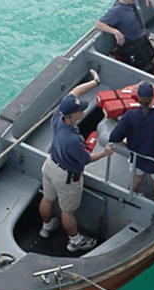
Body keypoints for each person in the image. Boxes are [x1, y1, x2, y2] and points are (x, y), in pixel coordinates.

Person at [38, 70, 113, 253]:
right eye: (80, 110)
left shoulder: (59, 115)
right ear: (71, 116)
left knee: (47, 199)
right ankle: (75, 241)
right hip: (66, 177)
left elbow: (75, 92)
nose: (83, 110)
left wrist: (95, 82)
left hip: (49, 165)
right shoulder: (72, 140)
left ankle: (46, 227)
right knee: (67, 211)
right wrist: (105, 153)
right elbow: (86, 159)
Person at [108, 81, 154, 206]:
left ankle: (128, 201)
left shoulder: (129, 116)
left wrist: (128, 147)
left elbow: (114, 138)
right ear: (153, 99)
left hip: (137, 159)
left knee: (136, 180)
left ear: (138, 98)